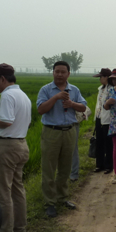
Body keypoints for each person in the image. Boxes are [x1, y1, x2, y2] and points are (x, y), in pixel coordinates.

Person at [0, 63, 32, 232]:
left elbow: (6, 121)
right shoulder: (23, 95)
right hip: (21, 145)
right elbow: (23, 123)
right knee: (17, 189)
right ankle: (20, 228)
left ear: (2, 79)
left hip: (7, 148)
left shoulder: (7, 95)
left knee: (2, 191)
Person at [37, 61, 87, 218]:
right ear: (52, 72)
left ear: (68, 74)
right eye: (56, 71)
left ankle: (62, 198)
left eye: (62, 72)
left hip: (69, 131)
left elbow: (84, 107)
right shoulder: (46, 90)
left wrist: (72, 103)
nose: (59, 74)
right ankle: (49, 203)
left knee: (65, 167)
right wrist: (56, 97)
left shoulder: (74, 90)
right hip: (51, 132)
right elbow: (40, 109)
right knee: (49, 168)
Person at [92, 68, 114, 174]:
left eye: (101, 77)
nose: (100, 79)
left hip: (108, 119)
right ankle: (99, 164)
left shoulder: (112, 89)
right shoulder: (100, 88)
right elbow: (98, 104)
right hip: (99, 117)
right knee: (99, 142)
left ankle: (109, 165)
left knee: (108, 143)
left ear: (107, 77)